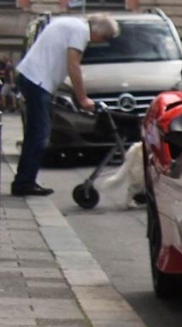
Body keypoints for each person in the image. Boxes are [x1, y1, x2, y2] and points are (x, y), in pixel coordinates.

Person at [11, 12, 117, 196]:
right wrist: (82, 98)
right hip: (38, 81)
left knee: (34, 133)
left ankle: (24, 179)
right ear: (99, 31)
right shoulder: (81, 31)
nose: (100, 42)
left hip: (32, 77)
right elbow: (73, 65)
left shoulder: (70, 23)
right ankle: (23, 183)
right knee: (40, 134)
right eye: (105, 38)